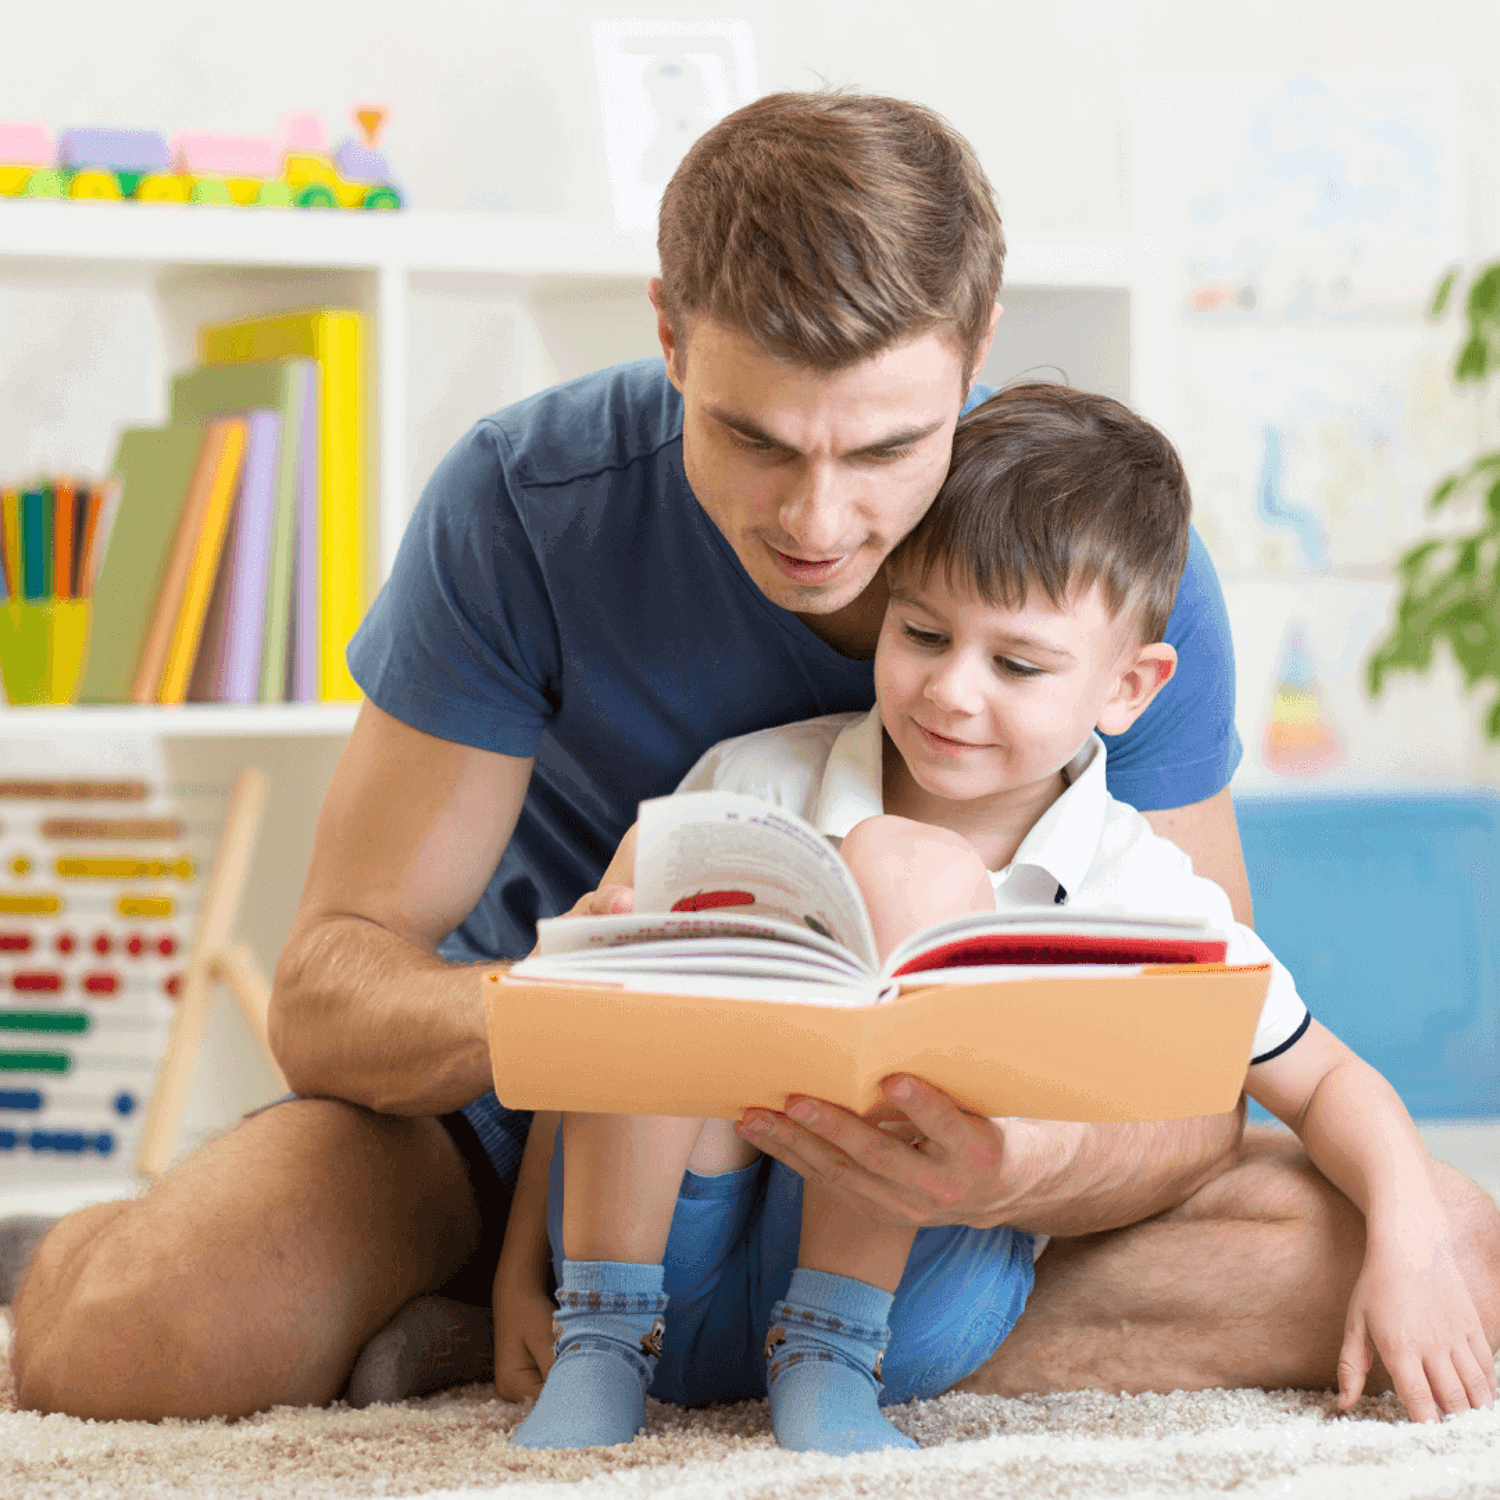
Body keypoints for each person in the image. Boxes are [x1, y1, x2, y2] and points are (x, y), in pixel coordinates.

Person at [10, 91, 1499, 1425]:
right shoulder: (523, 503)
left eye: (885, 450)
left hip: (942, 1178)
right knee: (146, 1337)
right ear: (667, 334)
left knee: (1450, 1254)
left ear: (976, 357)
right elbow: (331, 992)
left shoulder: (1096, 585)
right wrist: (594, 1011)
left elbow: (1192, 1071)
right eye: (757, 441)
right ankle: (573, 1304)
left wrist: (1015, 1171)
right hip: (535, 1122)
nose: (821, 521)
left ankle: (633, 1350)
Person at [500, 384, 1498, 1455]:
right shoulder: (754, 780)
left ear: (1130, 687)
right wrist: (519, 1269)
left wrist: (1409, 1236)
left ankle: (827, 1357)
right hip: (664, 1257)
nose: (952, 691)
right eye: (922, 632)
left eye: (1016, 664)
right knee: (665, 861)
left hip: (907, 1308)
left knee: (913, 879)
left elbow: (1329, 1079)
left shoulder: (1139, 883)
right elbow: (597, 1034)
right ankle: (599, 1339)